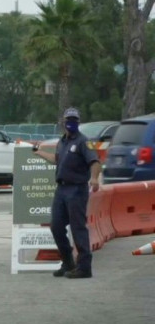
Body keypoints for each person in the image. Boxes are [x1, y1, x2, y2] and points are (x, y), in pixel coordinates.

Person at [32, 107, 101, 279]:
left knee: (78, 227)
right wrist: (39, 152)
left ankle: (84, 267)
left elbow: (95, 161)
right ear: (63, 122)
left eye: (74, 120)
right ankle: (68, 262)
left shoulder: (84, 142)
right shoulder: (62, 142)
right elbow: (57, 160)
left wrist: (94, 178)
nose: (70, 123)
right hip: (61, 189)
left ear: (78, 122)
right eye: (68, 120)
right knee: (56, 226)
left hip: (77, 189)